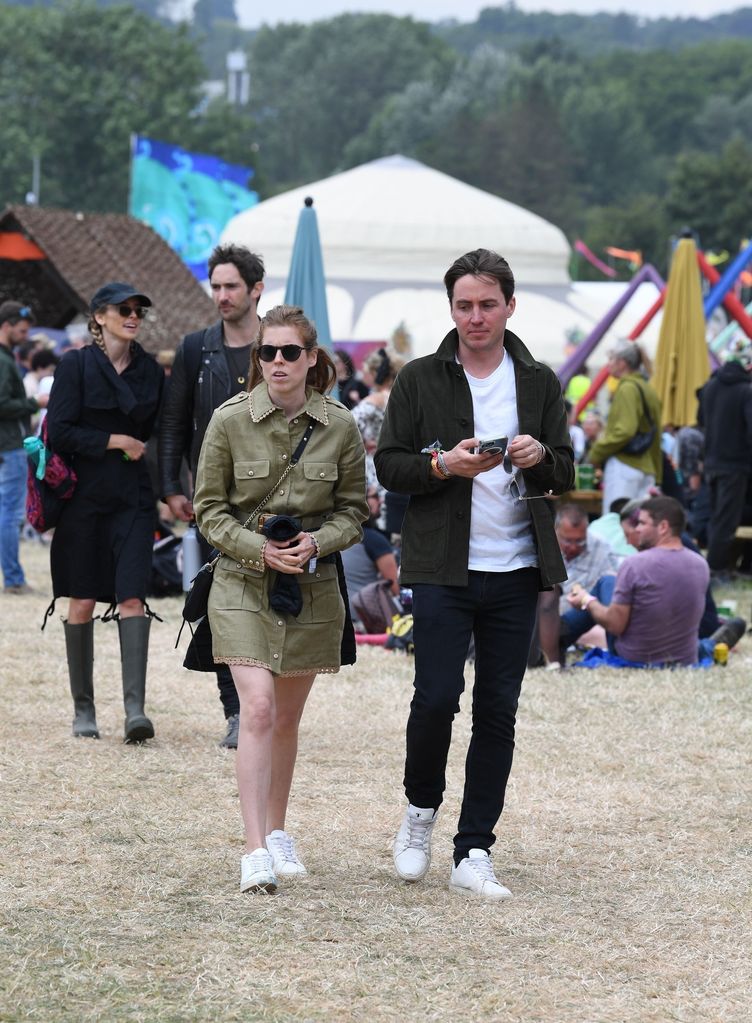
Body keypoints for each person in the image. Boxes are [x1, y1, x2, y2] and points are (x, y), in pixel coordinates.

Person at [375, 248, 574, 901]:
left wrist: (540, 454)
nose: (476, 316)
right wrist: (441, 466)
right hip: (440, 565)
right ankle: (419, 812)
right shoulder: (420, 378)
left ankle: (474, 849)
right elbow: (390, 467)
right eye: (464, 305)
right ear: (451, 307)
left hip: (516, 568)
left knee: (497, 709)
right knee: (435, 697)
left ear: (510, 305)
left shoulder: (539, 381)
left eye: (488, 304)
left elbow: (567, 471)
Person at [193, 305, 368, 895]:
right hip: (242, 582)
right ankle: (253, 850)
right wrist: (257, 551)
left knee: (287, 718)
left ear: (312, 358)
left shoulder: (339, 426)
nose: (277, 363)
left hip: (312, 586)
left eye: (290, 352)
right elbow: (209, 511)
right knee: (259, 709)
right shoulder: (229, 421)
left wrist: (318, 541)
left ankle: (278, 831)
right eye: (267, 352)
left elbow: (354, 511)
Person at [46, 283, 164, 740]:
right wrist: (116, 441)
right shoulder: (74, 365)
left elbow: (158, 430)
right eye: (124, 310)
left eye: (139, 310)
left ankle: (135, 711)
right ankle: (84, 711)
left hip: (133, 498)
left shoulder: (150, 371)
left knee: (133, 597)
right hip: (82, 500)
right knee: (82, 599)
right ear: (99, 316)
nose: (133, 316)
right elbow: (59, 432)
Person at [158, 243, 265, 748]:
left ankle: (266, 707)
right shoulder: (196, 347)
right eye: (216, 286)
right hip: (213, 497)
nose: (221, 296)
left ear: (255, 289)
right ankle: (236, 710)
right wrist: (170, 488)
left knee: (274, 605)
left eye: (231, 287)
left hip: (277, 496)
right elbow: (173, 422)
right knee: (220, 604)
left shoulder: (282, 343)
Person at [564, 497, 709, 666]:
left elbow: (615, 625)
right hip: (685, 658)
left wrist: (586, 600)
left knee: (607, 581)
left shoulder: (635, 564)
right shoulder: (700, 564)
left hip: (635, 657)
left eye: (642, 523)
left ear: (663, 527)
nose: (637, 529)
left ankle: (552, 640)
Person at [536, 503, 619, 667]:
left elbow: (611, 590)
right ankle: (549, 657)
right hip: (545, 621)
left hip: (586, 612)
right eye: (567, 541)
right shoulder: (542, 546)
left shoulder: (600, 547)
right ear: (556, 531)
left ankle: (617, 653)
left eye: (580, 541)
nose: (573, 547)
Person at [697, 339, 752, 582]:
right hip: (735, 464)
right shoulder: (745, 390)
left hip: (712, 462)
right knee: (726, 520)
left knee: (718, 516)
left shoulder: (710, 387)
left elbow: (700, 420)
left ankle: (717, 566)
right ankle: (716, 569)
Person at [588, 340, 662, 513]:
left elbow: (624, 431)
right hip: (646, 467)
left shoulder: (627, 388)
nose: (609, 364)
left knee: (614, 523)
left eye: (611, 359)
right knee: (639, 527)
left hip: (625, 466)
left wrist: (597, 452)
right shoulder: (647, 388)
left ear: (622, 363)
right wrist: (657, 473)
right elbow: (656, 435)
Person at [0, 300, 44, 594]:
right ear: (7, 326)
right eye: (22, 329)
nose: (26, 335)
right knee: (10, 514)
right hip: (10, 446)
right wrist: (35, 403)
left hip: (7, 445)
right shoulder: (3, 361)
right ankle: (14, 580)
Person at [340, 486, 400, 626]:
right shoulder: (375, 541)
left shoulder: (337, 537)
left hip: (337, 615)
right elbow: (394, 588)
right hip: (364, 618)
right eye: (375, 497)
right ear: (362, 501)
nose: (381, 501)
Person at [352, 346, 406, 492]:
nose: (364, 376)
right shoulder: (402, 396)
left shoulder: (374, 400)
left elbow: (346, 426)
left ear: (376, 373)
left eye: (366, 372)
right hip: (398, 466)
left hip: (374, 470)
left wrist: (363, 443)